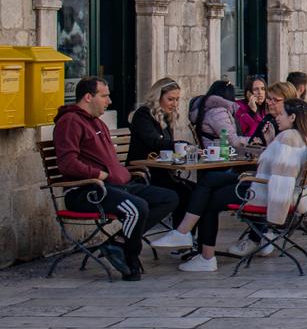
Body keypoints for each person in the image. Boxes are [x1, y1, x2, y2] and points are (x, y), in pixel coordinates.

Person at [53, 77, 179, 280]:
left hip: (116, 186)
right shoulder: (70, 122)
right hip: (87, 191)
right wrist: (97, 174)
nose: (109, 101)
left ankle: (118, 243)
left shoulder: (98, 122)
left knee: (169, 197)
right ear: (88, 97)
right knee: (137, 207)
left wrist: (122, 175)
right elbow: (67, 163)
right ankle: (130, 258)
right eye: (104, 96)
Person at [178, 100, 307, 274]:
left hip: (264, 193)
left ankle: (205, 255)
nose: (276, 117)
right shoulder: (305, 137)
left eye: (281, 114)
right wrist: (271, 141)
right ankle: (186, 235)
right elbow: (279, 167)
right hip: (275, 189)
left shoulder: (288, 138)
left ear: (293, 117)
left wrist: (276, 214)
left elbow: (282, 178)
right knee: (211, 180)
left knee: (210, 198)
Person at [128, 79, 204, 250]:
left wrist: (183, 150)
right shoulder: (143, 114)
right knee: (184, 193)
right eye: (171, 99)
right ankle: (182, 238)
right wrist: (185, 146)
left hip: (161, 172)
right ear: (158, 97)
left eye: (177, 99)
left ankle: (186, 237)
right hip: (143, 174)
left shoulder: (166, 117)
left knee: (199, 191)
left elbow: (166, 146)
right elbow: (155, 142)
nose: (175, 103)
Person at [194, 80, 241, 147]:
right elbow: (233, 141)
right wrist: (249, 140)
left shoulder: (209, 109)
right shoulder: (218, 113)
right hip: (219, 153)